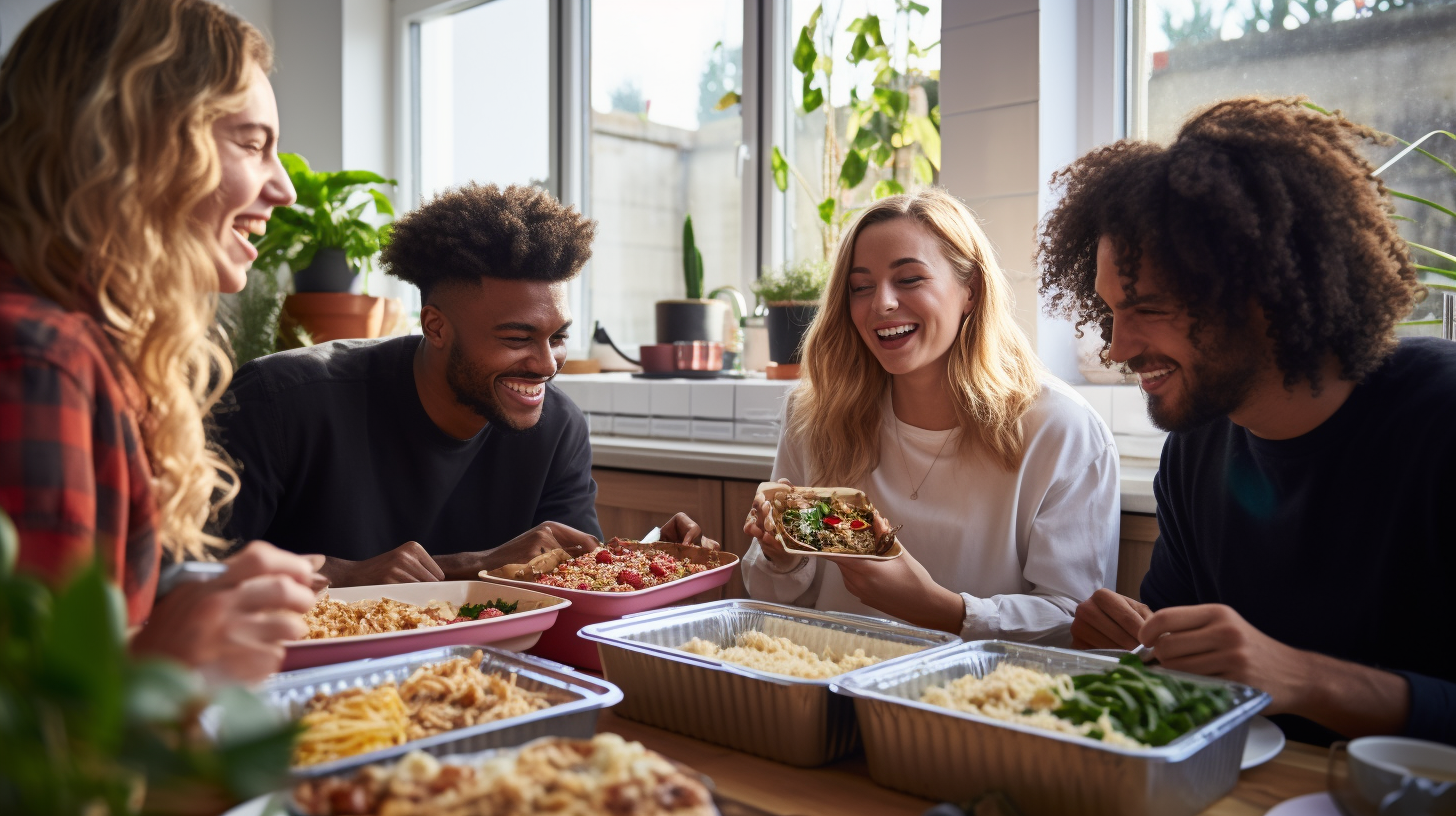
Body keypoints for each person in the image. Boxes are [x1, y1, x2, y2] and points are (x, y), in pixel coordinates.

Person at [1037, 96, 1455, 746]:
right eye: (1111, 310)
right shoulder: (1195, 446)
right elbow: (1182, 676)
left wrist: (1305, 679)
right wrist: (1140, 639)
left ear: (1258, 293)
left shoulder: (1441, 419)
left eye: (1146, 306)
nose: (1117, 348)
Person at [0, 0, 322, 681]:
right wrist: (167, 655)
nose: (284, 188)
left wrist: (199, 597)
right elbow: (35, 734)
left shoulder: (96, 350)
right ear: (133, 145)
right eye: (251, 143)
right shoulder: (37, 358)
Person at [212, 183, 713, 587]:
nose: (545, 365)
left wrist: (654, 560)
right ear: (435, 326)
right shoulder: (280, 401)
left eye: (557, 337)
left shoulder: (558, 428)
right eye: (517, 338)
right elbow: (190, 577)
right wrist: (346, 574)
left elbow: (569, 585)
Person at [741, 189, 1119, 643]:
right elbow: (776, 603)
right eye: (861, 287)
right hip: (833, 688)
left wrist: (942, 611)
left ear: (971, 291)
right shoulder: (817, 415)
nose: (881, 303)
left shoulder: (1060, 430)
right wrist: (783, 558)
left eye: (909, 279)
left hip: (974, 704)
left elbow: (1077, 622)